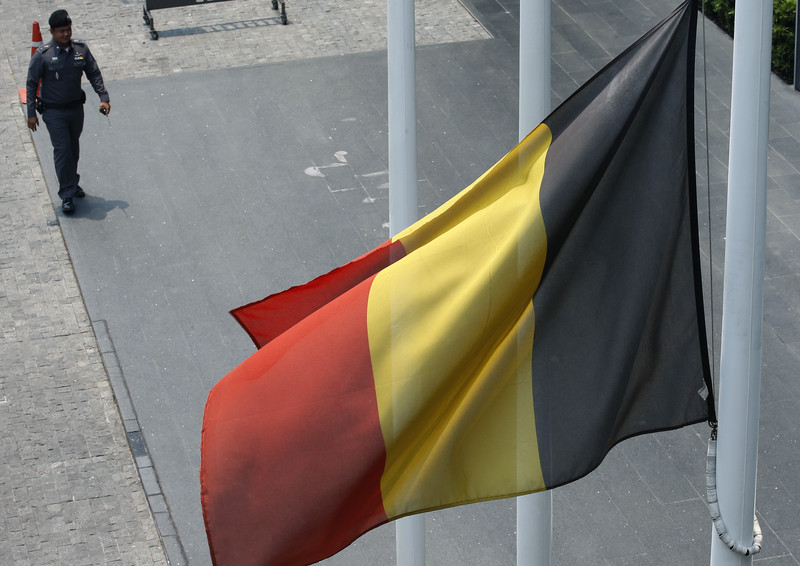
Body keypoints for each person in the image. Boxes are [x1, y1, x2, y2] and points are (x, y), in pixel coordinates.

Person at [26, 9, 110, 215]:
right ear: (52, 32)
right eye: (61, 31)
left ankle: (72, 181)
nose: (66, 34)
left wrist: (104, 98)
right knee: (62, 151)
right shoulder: (43, 55)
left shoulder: (80, 50)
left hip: (75, 109)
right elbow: (31, 84)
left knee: (73, 149)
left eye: (68, 30)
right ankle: (66, 194)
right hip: (54, 112)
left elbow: (93, 73)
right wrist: (30, 113)